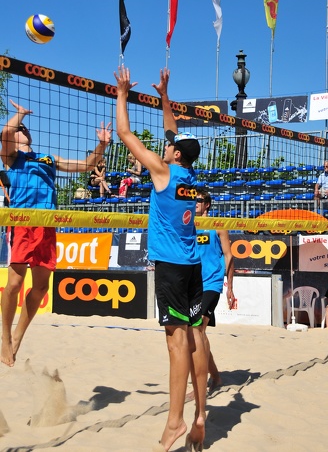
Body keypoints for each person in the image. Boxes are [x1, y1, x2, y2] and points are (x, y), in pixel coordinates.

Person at [115, 66, 207, 452]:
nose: (165, 144)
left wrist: (121, 94)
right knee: (197, 337)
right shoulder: (189, 176)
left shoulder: (162, 172)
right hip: (192, 266)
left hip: (170, 268)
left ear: (174, 155)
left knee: (177, 343)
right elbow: (173, 131)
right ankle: (201, 413)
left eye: (170, 145)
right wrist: (165, 96)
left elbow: (125, 134)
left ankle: (175, 422)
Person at [0, 100, 112, 367]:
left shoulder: (47, 158)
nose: (24, 130)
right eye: (20, 128)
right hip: (23, 222)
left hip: (47, 224)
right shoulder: (12, 158)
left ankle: (17, 337)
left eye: (26, 128)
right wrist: (20, 114)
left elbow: (86, 165)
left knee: (40, 288)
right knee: (14, 285)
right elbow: (4, 134)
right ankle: (4, 337)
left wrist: (102, 145)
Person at [195, 189, 235, 391]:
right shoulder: (190, 224)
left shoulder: (218, 224)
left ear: (207, 204)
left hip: (212, 283)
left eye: (199, 200)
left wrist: (229, 288)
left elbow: (229, 256)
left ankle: (200, 384)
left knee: (196, 331)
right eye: (193, 200)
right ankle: (217, 377)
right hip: (194, 284)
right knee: (198, 334)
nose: (195, 203)